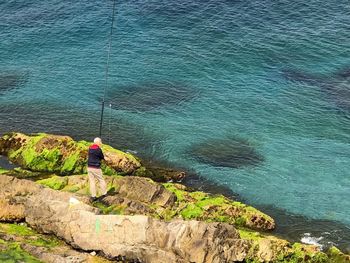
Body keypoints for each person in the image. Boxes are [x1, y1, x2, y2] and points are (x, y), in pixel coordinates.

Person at [87, 137, 107, 202]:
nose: (101, 143)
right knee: (101, 180)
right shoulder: (98, 150)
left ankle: (93, 196)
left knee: (92, 182)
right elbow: (102, 157)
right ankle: (104, 194)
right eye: (100, 142)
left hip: (89, 167)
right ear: (98, 142)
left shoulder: (90, 148)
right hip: (96, 168)